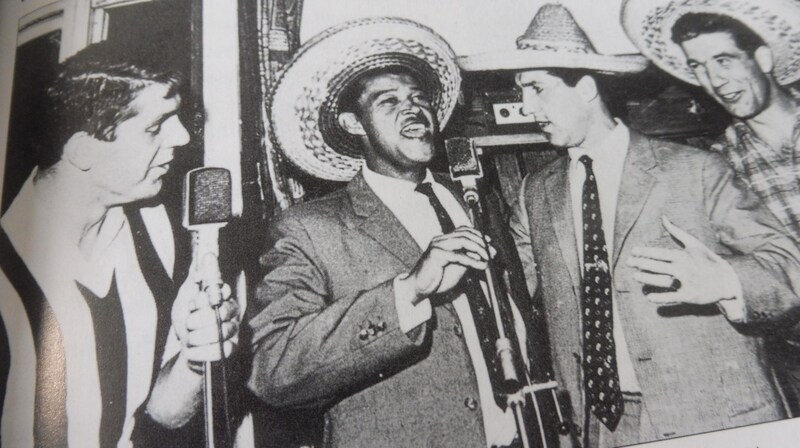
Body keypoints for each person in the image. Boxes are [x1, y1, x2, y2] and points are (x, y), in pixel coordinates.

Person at [460, 4, 800, 447]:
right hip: (600, 427)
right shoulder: (534, 192)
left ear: (584, 88)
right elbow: (511, 294)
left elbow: (787, 264)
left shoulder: (697, 169)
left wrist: (728, 280)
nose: (526, 107)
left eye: (537, 89)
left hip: (714, 416)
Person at [247, 17, 534, 448]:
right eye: (388, 102)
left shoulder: (477, 198)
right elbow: (274, 371)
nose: (414, 109)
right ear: (353, 124)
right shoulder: (308, 228)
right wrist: (409, 291)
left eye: (419, 98)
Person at [0, 41, 240, 447]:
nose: (181, 136)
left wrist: (195, 360)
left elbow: (155, 419)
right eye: (155, 126)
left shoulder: (159, 233)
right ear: (83, 151)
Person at [622, 0, 800, 416]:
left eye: (724, 59)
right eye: (698, 66)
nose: (714, 79)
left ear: (763, 57)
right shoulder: (717, 165)